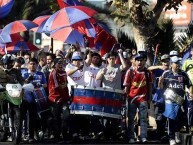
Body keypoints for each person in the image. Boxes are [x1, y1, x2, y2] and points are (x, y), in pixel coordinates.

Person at [158, 56, 193, 145]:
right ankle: (171, 138)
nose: (178, 64)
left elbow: (189, 84)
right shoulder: (166, 73)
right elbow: (161, 87)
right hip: (169, 98)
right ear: (171, 64)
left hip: (180, 99)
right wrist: (160, 82)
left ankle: (176, 133)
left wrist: (191, 93)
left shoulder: (183, 74)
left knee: (179, 116)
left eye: (178, 63)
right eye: (176, 63)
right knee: (171, 117)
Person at [96, 50, 127, 139]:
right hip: (106, 94)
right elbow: (97, 78)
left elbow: (124, 66)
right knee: (106, 115)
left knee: (115, 115)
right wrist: (102, 73)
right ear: (107, 59)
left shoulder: (118, 67)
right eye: (110, 59)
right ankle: (106, 134)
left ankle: (113, 134)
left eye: (113, 58)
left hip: (116, 94)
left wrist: (120, 54)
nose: (112, 60)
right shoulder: (103, 68)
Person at [124, 53, 153, 143]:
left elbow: (150, 87)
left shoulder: (148, 73)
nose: (140, 62)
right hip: (132, 98)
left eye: (142, 60)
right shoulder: (130, 71)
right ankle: (131, 137)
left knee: (143, 118)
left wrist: (149, 98)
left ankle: (143, 137)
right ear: (135, 61)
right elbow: (126, 86)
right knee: (131, 118)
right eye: (138, 60)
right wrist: (125, 97)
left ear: (144, 61)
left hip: (143, 98)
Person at [0, 54, 24, 144]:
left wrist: (23, 85)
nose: (7, 65)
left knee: (23, 106)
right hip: (2, 94)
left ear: (12, 63)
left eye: (9, 63)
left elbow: (21, 80)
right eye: (5, 63)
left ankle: (19, 130)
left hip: (13, 94)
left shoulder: (16, 71)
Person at [22, 58, 47, 143]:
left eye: (34, 64)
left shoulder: (41, 74)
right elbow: (22, 84)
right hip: (27, 98)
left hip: (39, 98)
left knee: (37, 117)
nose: (32, 65)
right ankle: (24, 133)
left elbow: (45, 85)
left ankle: (34, 134)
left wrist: (39, 84)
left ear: (37, 65)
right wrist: (28, 80)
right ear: (28, 64)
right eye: (31, 64)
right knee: (26, 117)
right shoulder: (24, 74)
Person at [149, 54, 170, 142]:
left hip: (169, 98)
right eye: (164, 61)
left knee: (167, 117)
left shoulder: (172, 70)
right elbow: (149, 68)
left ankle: (166, 134)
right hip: (159, 98)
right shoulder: (157, 70)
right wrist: (160, 66)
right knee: (158, 117)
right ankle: (160, 134)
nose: (165, 63)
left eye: (167, 61)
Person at [48, 58, 70, 141]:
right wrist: (58, 98)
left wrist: (68, 97)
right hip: (55, 99)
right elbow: (56, 88)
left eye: (62, 63)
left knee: (66, 116)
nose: (61, 65)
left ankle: (64, 134)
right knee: (56, 118)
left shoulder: (64, 73)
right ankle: (56, 136)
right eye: (59, 63)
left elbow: (65, 86)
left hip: (64, 99)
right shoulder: (53, 73)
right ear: (55, 64)